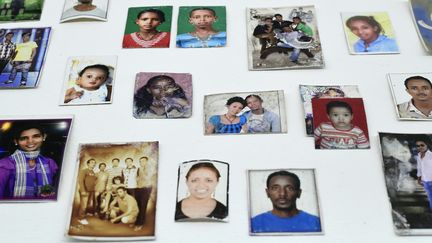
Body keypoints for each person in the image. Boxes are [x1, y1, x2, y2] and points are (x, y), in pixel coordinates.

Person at [251, 170, 321, 233]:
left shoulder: (316, 223)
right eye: (275, 188)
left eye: (290, 188)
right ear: (267, 193)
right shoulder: (253, 223)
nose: (282, 194)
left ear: (299, 193)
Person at [0, 124, 58, 199]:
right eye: (23, 138)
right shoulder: (5, 165)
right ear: (16, 141)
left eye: (36, 136)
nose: (30, 141)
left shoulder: (50, 163)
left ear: (44, 137)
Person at [134, 156, 155, 231]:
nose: (141, 162)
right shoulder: (139, 168)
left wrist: (142, 170)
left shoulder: (150, 169)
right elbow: (137, 177)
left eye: (143, 161)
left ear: (146, 161)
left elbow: (147, 178)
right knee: (138, 206)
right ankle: (137, 221)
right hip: (138, 188)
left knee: (143, 206)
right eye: (140, 161)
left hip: (146, 188)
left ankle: (140, 224)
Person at [77, 159, 97, 225]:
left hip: (91, 191)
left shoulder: (93, 172)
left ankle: (85, 213)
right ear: (88, 164)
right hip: (85, 190)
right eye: (92, 163)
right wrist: (83, 190)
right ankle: (81, 218)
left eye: (94, 163)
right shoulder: (84, 171)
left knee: (88, 204)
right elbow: (80, 181)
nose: (93, 164)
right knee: (84, 205)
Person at [415, 138, 432, 211]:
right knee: (430, 197)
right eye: (418, 146)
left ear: (426, 145)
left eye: (422, 145)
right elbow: (419, 167)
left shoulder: (430, 155)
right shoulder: (419, 155)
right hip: (425, 180)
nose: (420, 147)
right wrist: (419, 178)